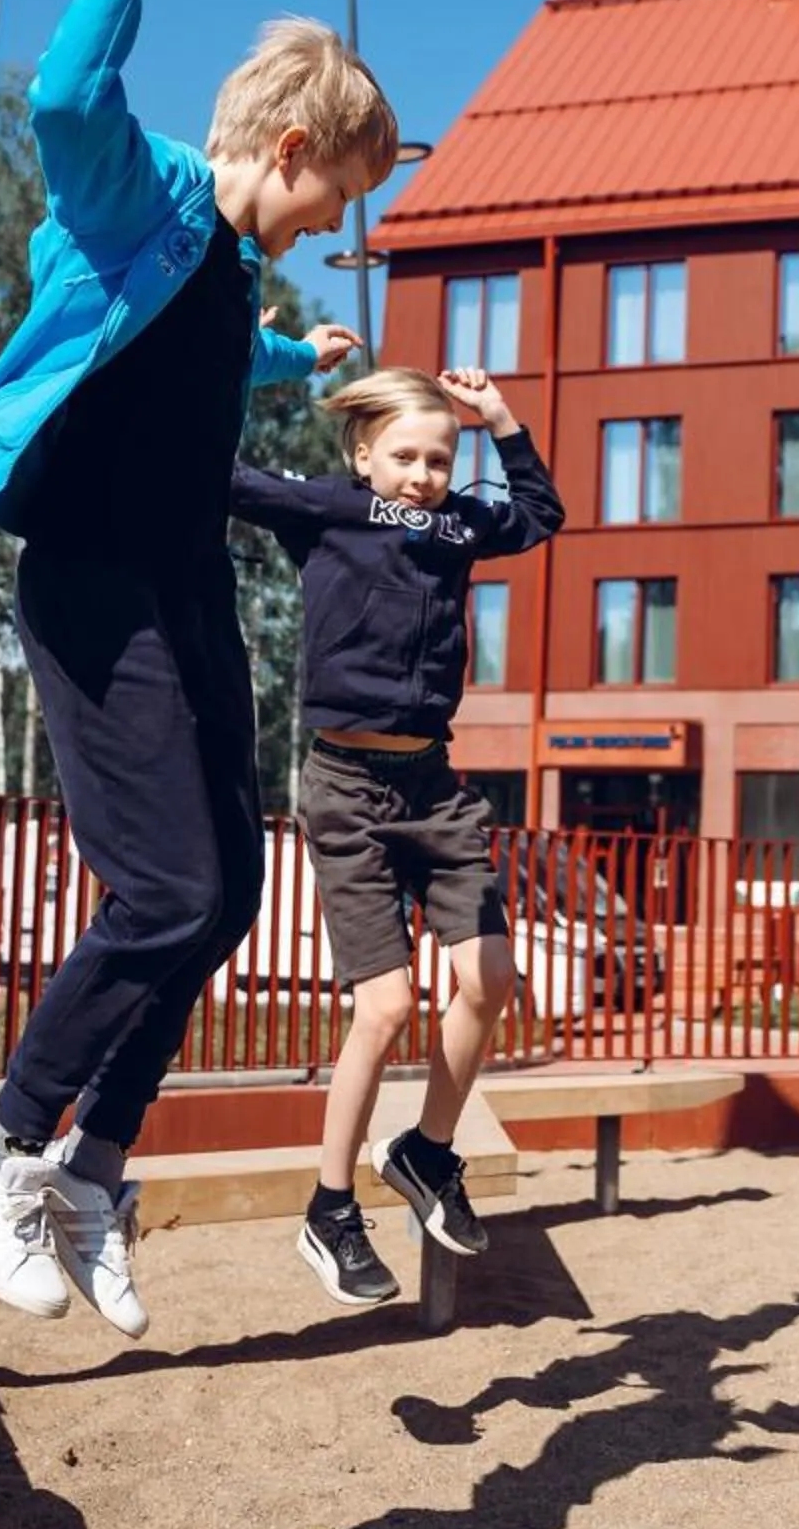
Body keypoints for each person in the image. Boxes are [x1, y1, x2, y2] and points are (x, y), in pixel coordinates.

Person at [0, 0, 380, 1338]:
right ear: (293, 153)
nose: (330, 231)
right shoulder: (147, 195)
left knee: (229, 887)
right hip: (96, 581)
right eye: (334, 202)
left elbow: (181, 352)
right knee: (166, 883)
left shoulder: (231, 270)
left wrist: (280, 352)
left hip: (180, 582)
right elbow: (60, 91)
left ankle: (93, 1174)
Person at [227, 366, 565, 1304]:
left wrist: (497, 419)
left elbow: (540, 512)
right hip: (346, 787)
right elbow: (220, 473)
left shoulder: (461, 524)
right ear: (363, 453)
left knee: (492, 978)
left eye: (439, 459)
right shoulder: (328, 510)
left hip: (434, 783)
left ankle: (425, 1152)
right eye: (405, 457)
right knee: (384, 1008)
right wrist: (252, 361)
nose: (423, 475)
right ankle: (330, 1208)